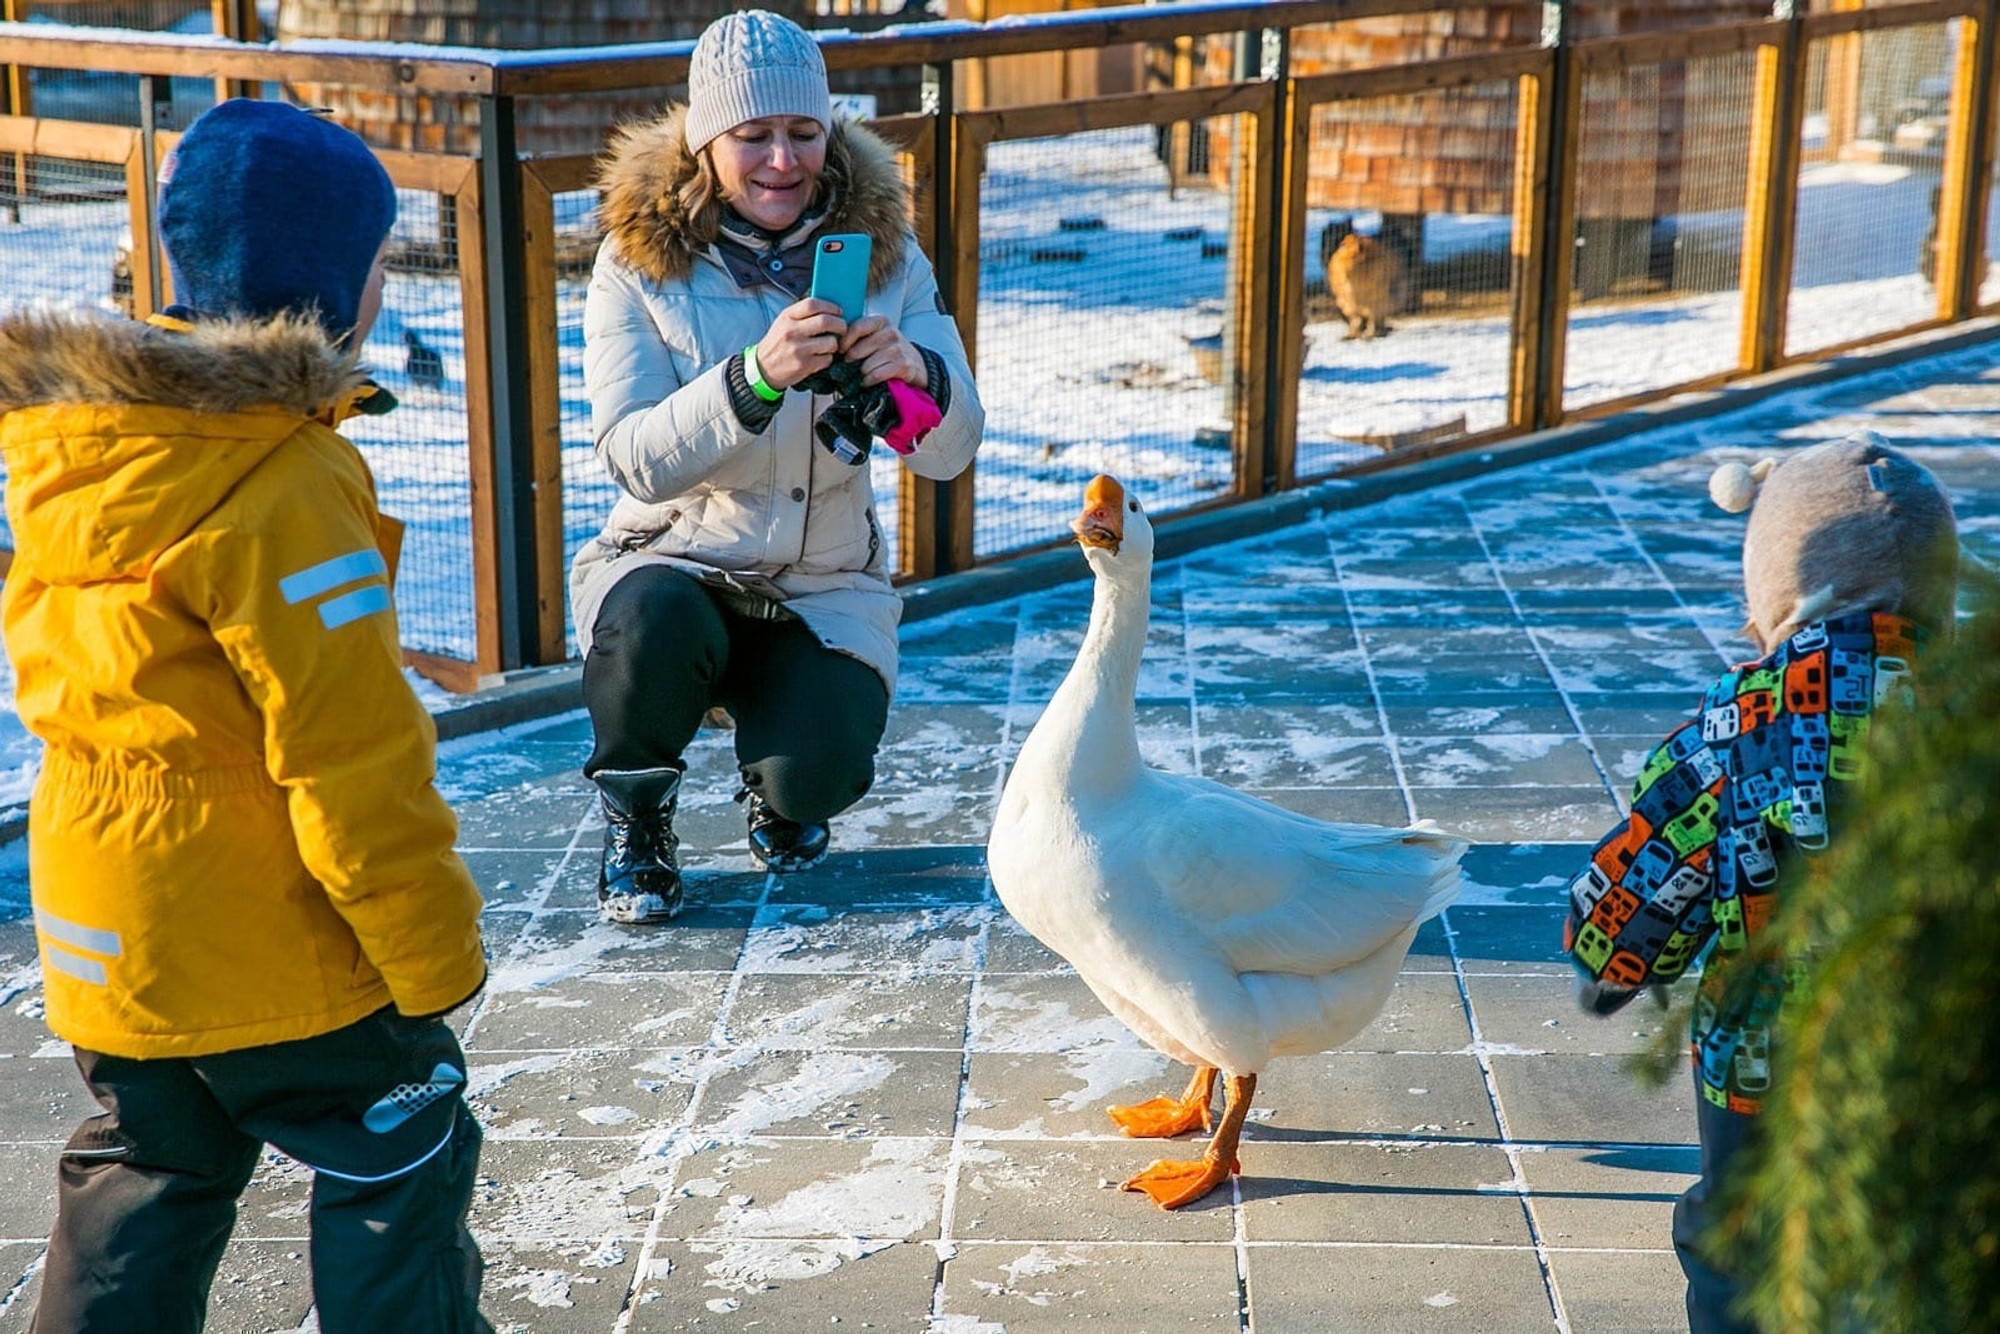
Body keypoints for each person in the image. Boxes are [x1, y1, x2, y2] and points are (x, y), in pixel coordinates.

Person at [0, 99, 491, 1333]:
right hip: (262, 933)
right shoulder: (286, 476)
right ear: (334, 289)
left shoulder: (83, 444)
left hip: (104, 928)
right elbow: (349, 755)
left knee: (148, 1167)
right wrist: (431, 954)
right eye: (378, 262)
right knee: (400, 1136)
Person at [573, 9, 983, 924]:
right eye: (753, 136)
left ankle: (778, 779)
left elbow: (953, 456)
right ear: (705, 142)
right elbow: (632, 459)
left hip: (822, 581)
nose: (783, 162)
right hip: (676, 561)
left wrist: (915, 382)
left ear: (830, 134)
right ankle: (638, 818)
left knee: (820, 776)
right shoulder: (637, 264)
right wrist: (752, 378)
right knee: (647, 626)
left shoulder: (885, 256)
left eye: (803, 133)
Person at [1561, 432, 1958, 1334]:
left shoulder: (1750, 723)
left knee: (1744, 1238)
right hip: (1953, 1050)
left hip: (1770, 1061)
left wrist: (1614, 960)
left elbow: (1649, 869)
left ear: (1779, 587)